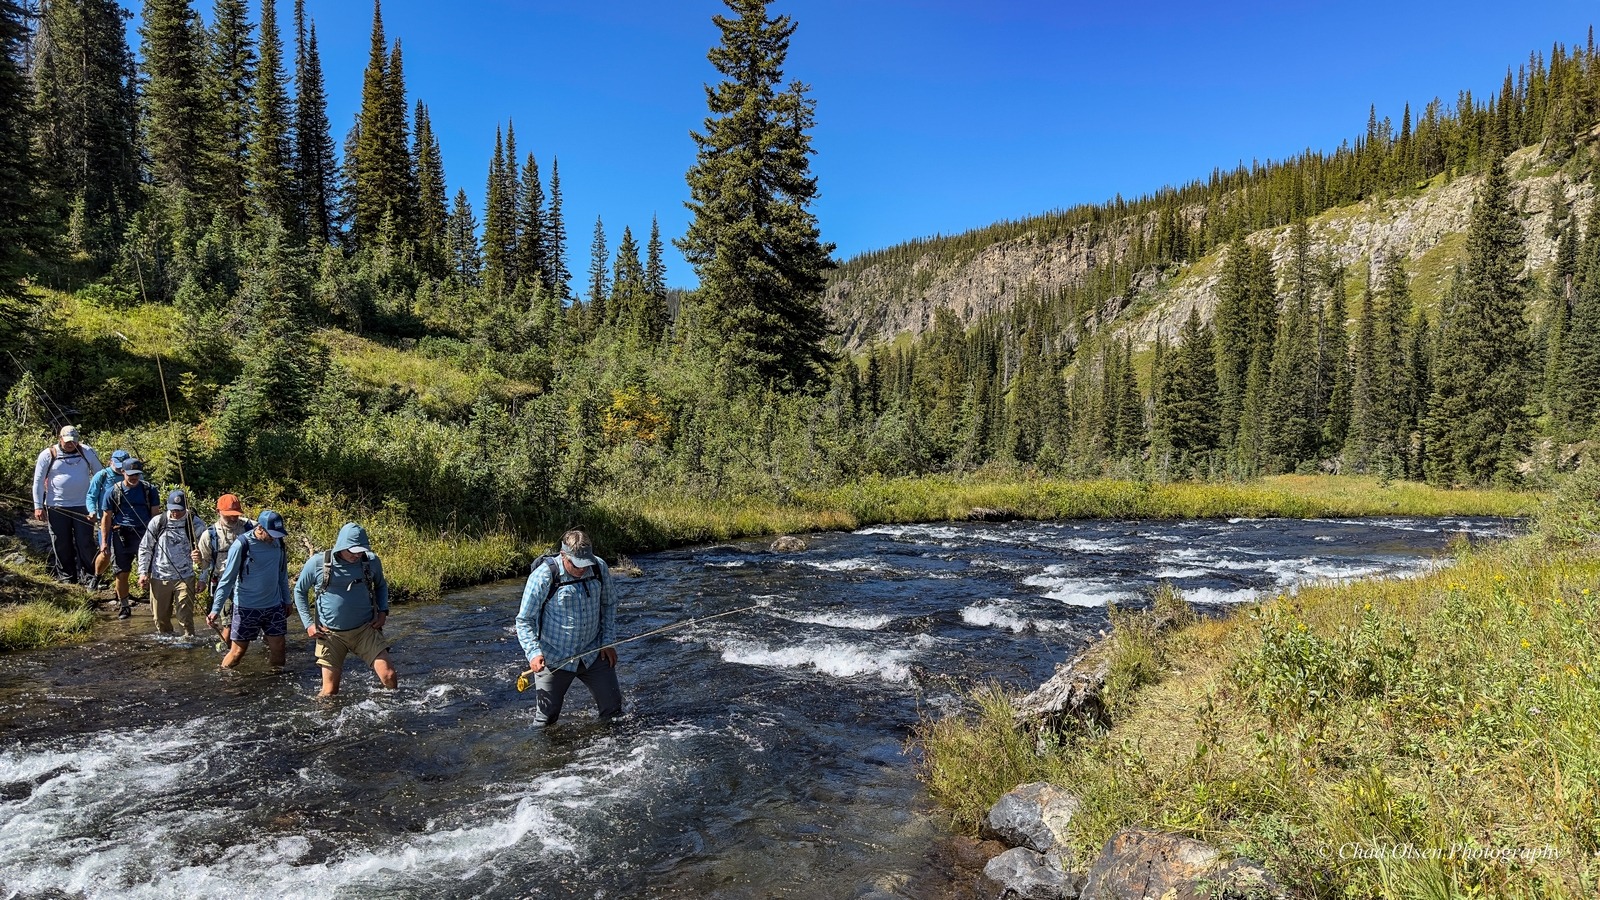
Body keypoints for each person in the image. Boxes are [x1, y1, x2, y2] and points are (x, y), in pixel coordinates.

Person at [514, 529, 622, 728]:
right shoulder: (544, 576)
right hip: (555, 658)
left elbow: (609, 604)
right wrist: (533, 653)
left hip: (594, 652)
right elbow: (524, 620)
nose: (583, 569)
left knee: (614, 712)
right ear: (563, 555)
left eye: (586, 564)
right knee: (545, 721)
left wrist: (608, 641)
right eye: (577, 565)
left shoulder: (599, 567)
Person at [293, 522, 397, 697]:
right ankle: (322, 721)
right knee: (330, 691)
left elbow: (381, 585)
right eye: (353, 551)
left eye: (360, 551)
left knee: (389, 676)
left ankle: (394, 712)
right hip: (330, 634)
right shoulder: (318, 563)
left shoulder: (371, 561)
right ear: (341, 546)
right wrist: (308, 624)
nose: (357, 556)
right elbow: (299, 591)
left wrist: (383, 611)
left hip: (365, 629)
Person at [207, 510, 292, 670]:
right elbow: (227, 580)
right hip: (246, 607)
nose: (275, 537)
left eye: (277, 534)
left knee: (279, 648)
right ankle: (223, 678)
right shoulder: (242, 545)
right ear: (260, 528)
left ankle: (274, 682)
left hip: (274, 606)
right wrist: (215, 610)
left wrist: (287, 600)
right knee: (238, 651)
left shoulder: (279, 543)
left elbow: (282, 574)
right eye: (272, 534)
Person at [31, 425, 104, 584]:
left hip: (83, 506)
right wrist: (38, 506)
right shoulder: (48, 454)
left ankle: (90, 577)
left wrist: (101, 502)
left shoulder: (87, 452)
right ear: (60, 439)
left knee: (85, 542)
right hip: (56, 506)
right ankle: (67, 577)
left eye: (74, 441)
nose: (71, 444)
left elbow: (100, 475)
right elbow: (37, 481)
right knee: (61, 543)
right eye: (67, 441)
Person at [136, 490, 205, 637]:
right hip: (159, 576)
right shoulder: (158, 522)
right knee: (160, 619)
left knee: (185, 620)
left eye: (179, 510)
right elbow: (145, 548)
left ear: (186, 508)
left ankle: (188, 647)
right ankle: (168, 647)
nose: (175, 513)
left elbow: (207, 554)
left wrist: (202, 575)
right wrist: (143, 572)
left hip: (185, 576)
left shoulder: (195, 524)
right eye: (172, 509)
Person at [99, 458, 159, 618]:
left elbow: (155, 516)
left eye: (137, 474)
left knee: (151, 571)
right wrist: (104, 542)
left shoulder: (149, 490)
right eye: (131, 474)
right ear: (123, 472)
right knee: (121, 573)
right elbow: (106, 518)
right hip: (121, 536)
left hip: (145, 535)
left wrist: (157, 538)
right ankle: (124, 606)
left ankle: (156, 605)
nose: (134, 478)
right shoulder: (112, 491)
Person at [196, 493, 253, 644]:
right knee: (228, 623)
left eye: (236, 515)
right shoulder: (209, 535)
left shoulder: (250, 527)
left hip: (249, 582)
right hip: (224, 584)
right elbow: (205, 565)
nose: (233, 518)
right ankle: (226, 655)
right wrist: (198, 561)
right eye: (229, 515)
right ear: (218, 512)